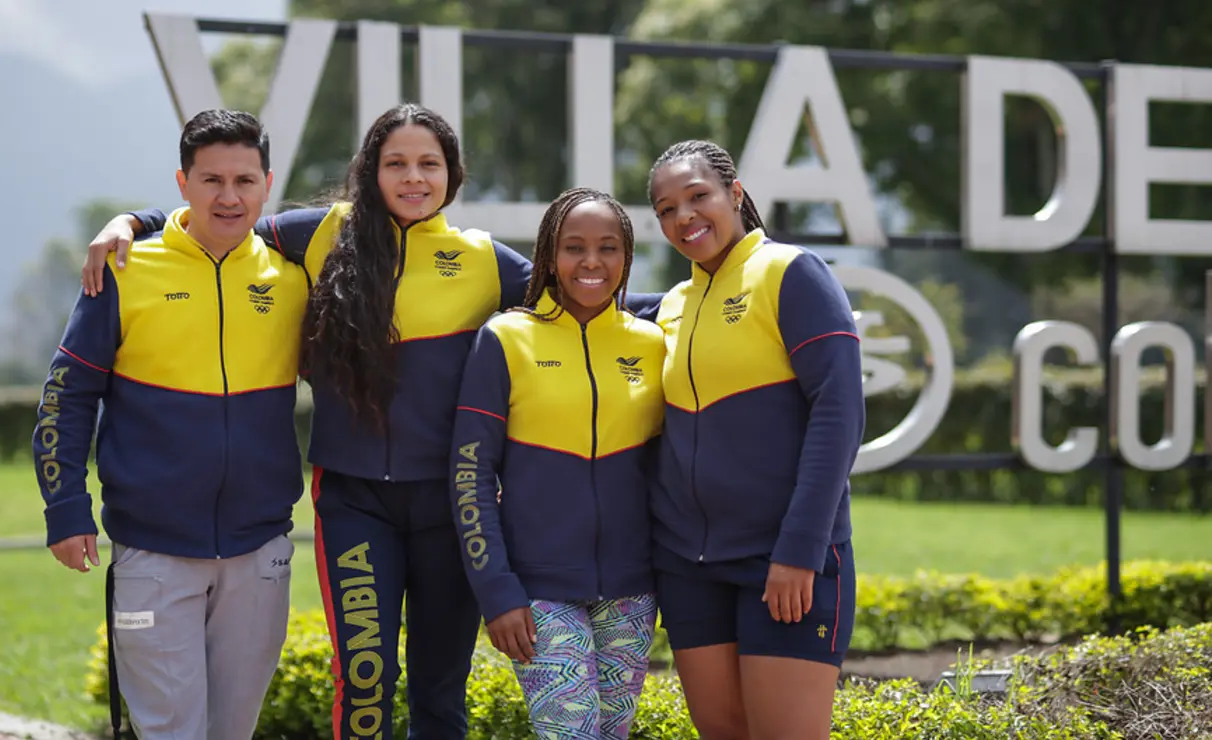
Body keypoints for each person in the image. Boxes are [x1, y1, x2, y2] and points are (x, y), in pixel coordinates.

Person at [80, 103, 538, 740]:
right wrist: (132, 222)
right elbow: (217, 224)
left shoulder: (487, 260)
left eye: (428, 164)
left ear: (452, 175)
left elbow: (584, 287)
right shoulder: (321, 233)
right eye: (395, 163)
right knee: (367, 678)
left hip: (450, 507)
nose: (413, 177)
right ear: (369, 171)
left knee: (440, 685)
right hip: (355, 502)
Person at [33, 109, 308, 740]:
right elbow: (65, 395)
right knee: (168, 731)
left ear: (268, 182)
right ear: (181, 183)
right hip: (153, 552)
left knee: (231, 732)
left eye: (245, 180)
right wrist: (65, 507)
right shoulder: (125, 271)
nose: (229, 196)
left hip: (260, 549)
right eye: (211, 180)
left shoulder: (294, 279)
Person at [637, 140, 865, 740]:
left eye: (697, 197)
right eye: (666, 209)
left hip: (783, 562)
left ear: (735, 194)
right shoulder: (669, 308)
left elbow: (839, 412)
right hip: (688, 568)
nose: (683, 217)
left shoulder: (791, 273)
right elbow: (566, 282)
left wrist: (800, 550)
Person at [450, 188, 664, 739]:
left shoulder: (651, 343)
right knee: (569, 733)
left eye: (608, 248)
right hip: (537, 590)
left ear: (627, 256)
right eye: (574, 247)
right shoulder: (504, 338)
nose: (591, 262)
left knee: (612, 734)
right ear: (548, 255)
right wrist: (497, 591)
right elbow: (470, 476)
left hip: (632, 589)